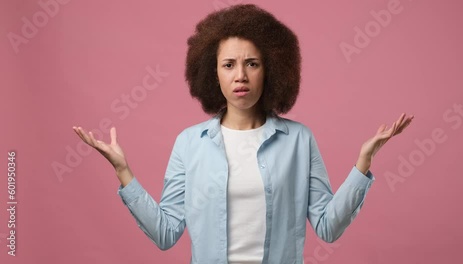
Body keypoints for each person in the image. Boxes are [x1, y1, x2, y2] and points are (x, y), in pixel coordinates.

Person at [72, 4, 413, 264]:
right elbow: (165, 233)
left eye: (252, 63)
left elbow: (327, 226)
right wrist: (123, 172)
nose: (240, 76)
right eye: (228, 64)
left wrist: (362, 164)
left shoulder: (299, 141)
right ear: (212, 73)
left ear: (271, 69)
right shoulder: (189, 144)